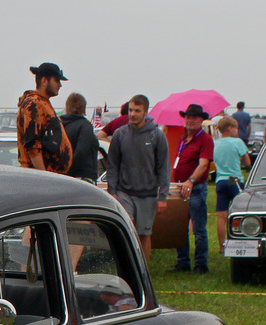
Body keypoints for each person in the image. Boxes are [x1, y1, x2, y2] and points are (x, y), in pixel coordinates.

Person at [106, 94, 170, 263]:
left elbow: (163, 167)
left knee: (144, 233)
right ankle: (127, 267)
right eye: (131, 110)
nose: (133, 114)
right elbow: (112, 164)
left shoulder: (157, 135)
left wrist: (163, 196)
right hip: (124, 192)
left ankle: (143, 270)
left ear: (145, 112)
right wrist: (112, 190)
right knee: (126, 230)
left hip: (148, 194)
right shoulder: (120, 134)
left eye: (137, 110)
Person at [172, 103, 214, 273]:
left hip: (195, 189)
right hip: (180, 189)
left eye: (194, 117)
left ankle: (200, 264)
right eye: (188, 117)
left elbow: (204, 165)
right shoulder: (184, 139)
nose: (190, 120)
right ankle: (182, 262)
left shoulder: (205, 139)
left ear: (201, 120)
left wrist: (190, 181)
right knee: (180, 228)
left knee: (199, 228)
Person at [17, 62, 72, 173]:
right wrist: (44, 176)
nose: (60, 85)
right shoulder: (34, 104)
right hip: (39, 178)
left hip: (48, 176)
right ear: (44, 81)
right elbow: (33, 145)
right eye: (56, 80)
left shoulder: (42, 102)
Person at [213, 115, 251, 253]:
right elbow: (247, 161)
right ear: (230, 128)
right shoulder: (237, 142)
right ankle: (240, 243)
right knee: (240, 213)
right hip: (235, 180)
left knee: (222, 216)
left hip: (220, 180)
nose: (237, 131)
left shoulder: (215, 143)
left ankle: (222, 246)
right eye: (236, 128)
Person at [61, 93, 98, 182]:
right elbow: (81, 152)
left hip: (61, 177)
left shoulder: (59, 125)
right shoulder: (85, 126)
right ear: (83, 108)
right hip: (82, 177)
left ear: (67, 107)